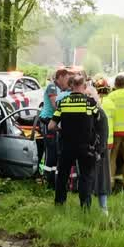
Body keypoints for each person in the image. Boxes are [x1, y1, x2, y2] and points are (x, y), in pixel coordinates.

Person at [49, 76, 100, 209]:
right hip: (85, 146)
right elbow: (97, 120)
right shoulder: (90, 103)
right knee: (85, 177)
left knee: (63, 176)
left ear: (71, 86)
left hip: (67, 145)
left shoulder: (64, 102)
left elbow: (50, 126)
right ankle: (85, 207)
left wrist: (60, 129)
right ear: (84, 86)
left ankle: (59, 204)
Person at [38, 68, 71, 189]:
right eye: (67, 79)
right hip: (47, 120)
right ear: (60, 77)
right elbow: (54, 105)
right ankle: (48, 179)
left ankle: (54, 179)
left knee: (57, 152)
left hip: (55, 122)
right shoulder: (52, 87)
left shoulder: (62, 90)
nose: (68, 81)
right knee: (51, 151)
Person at [93, 78, 115, 214]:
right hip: (108, 141)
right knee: (106, 170)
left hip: (98, 142)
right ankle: (106, 192)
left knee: (96, 172)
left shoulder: (98, 106)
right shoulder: (112, 103)